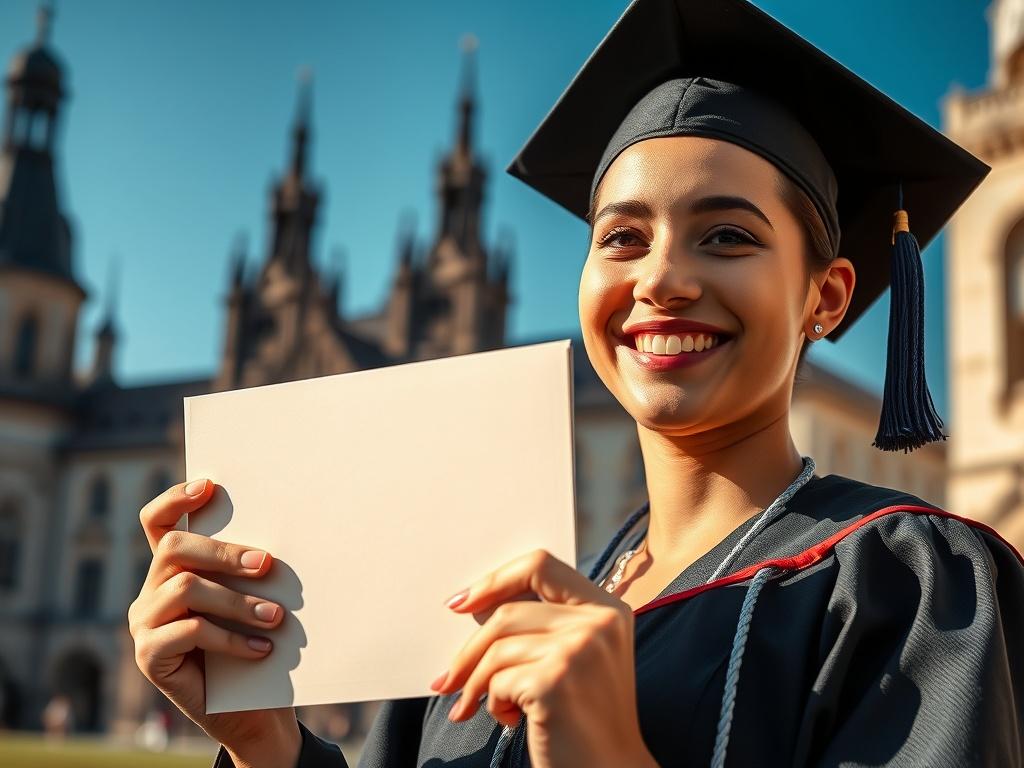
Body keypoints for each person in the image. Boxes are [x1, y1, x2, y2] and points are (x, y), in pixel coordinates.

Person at [127, 0, 1024, 765]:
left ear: (823, 299)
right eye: (623, 239)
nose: (660, 280)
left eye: (728, 236)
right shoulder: (481, 594)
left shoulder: (908, 587)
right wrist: (268, 744)